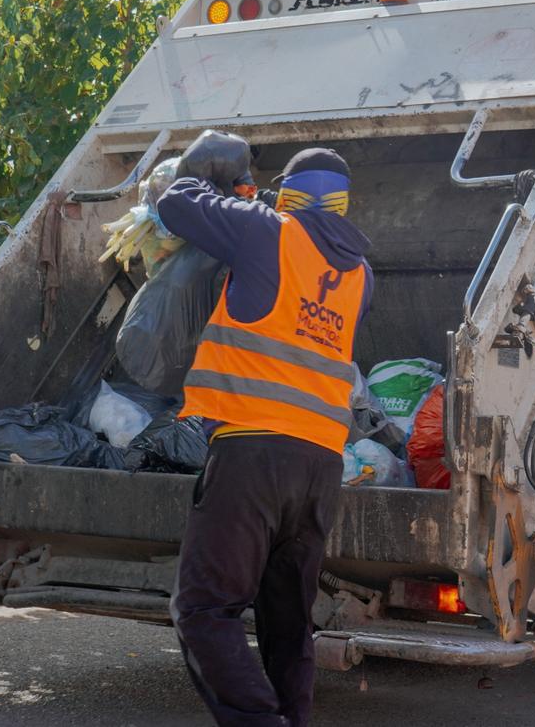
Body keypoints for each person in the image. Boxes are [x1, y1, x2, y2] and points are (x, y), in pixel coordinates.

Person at [157, 130, 372, 727]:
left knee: (203, 610)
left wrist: (206, 172)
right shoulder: (361, 275)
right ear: (343, 202)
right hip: (321, 465)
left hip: (253, 452)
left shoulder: (266, 230)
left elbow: (176, 203)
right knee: (288, 623)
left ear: (289, 194)